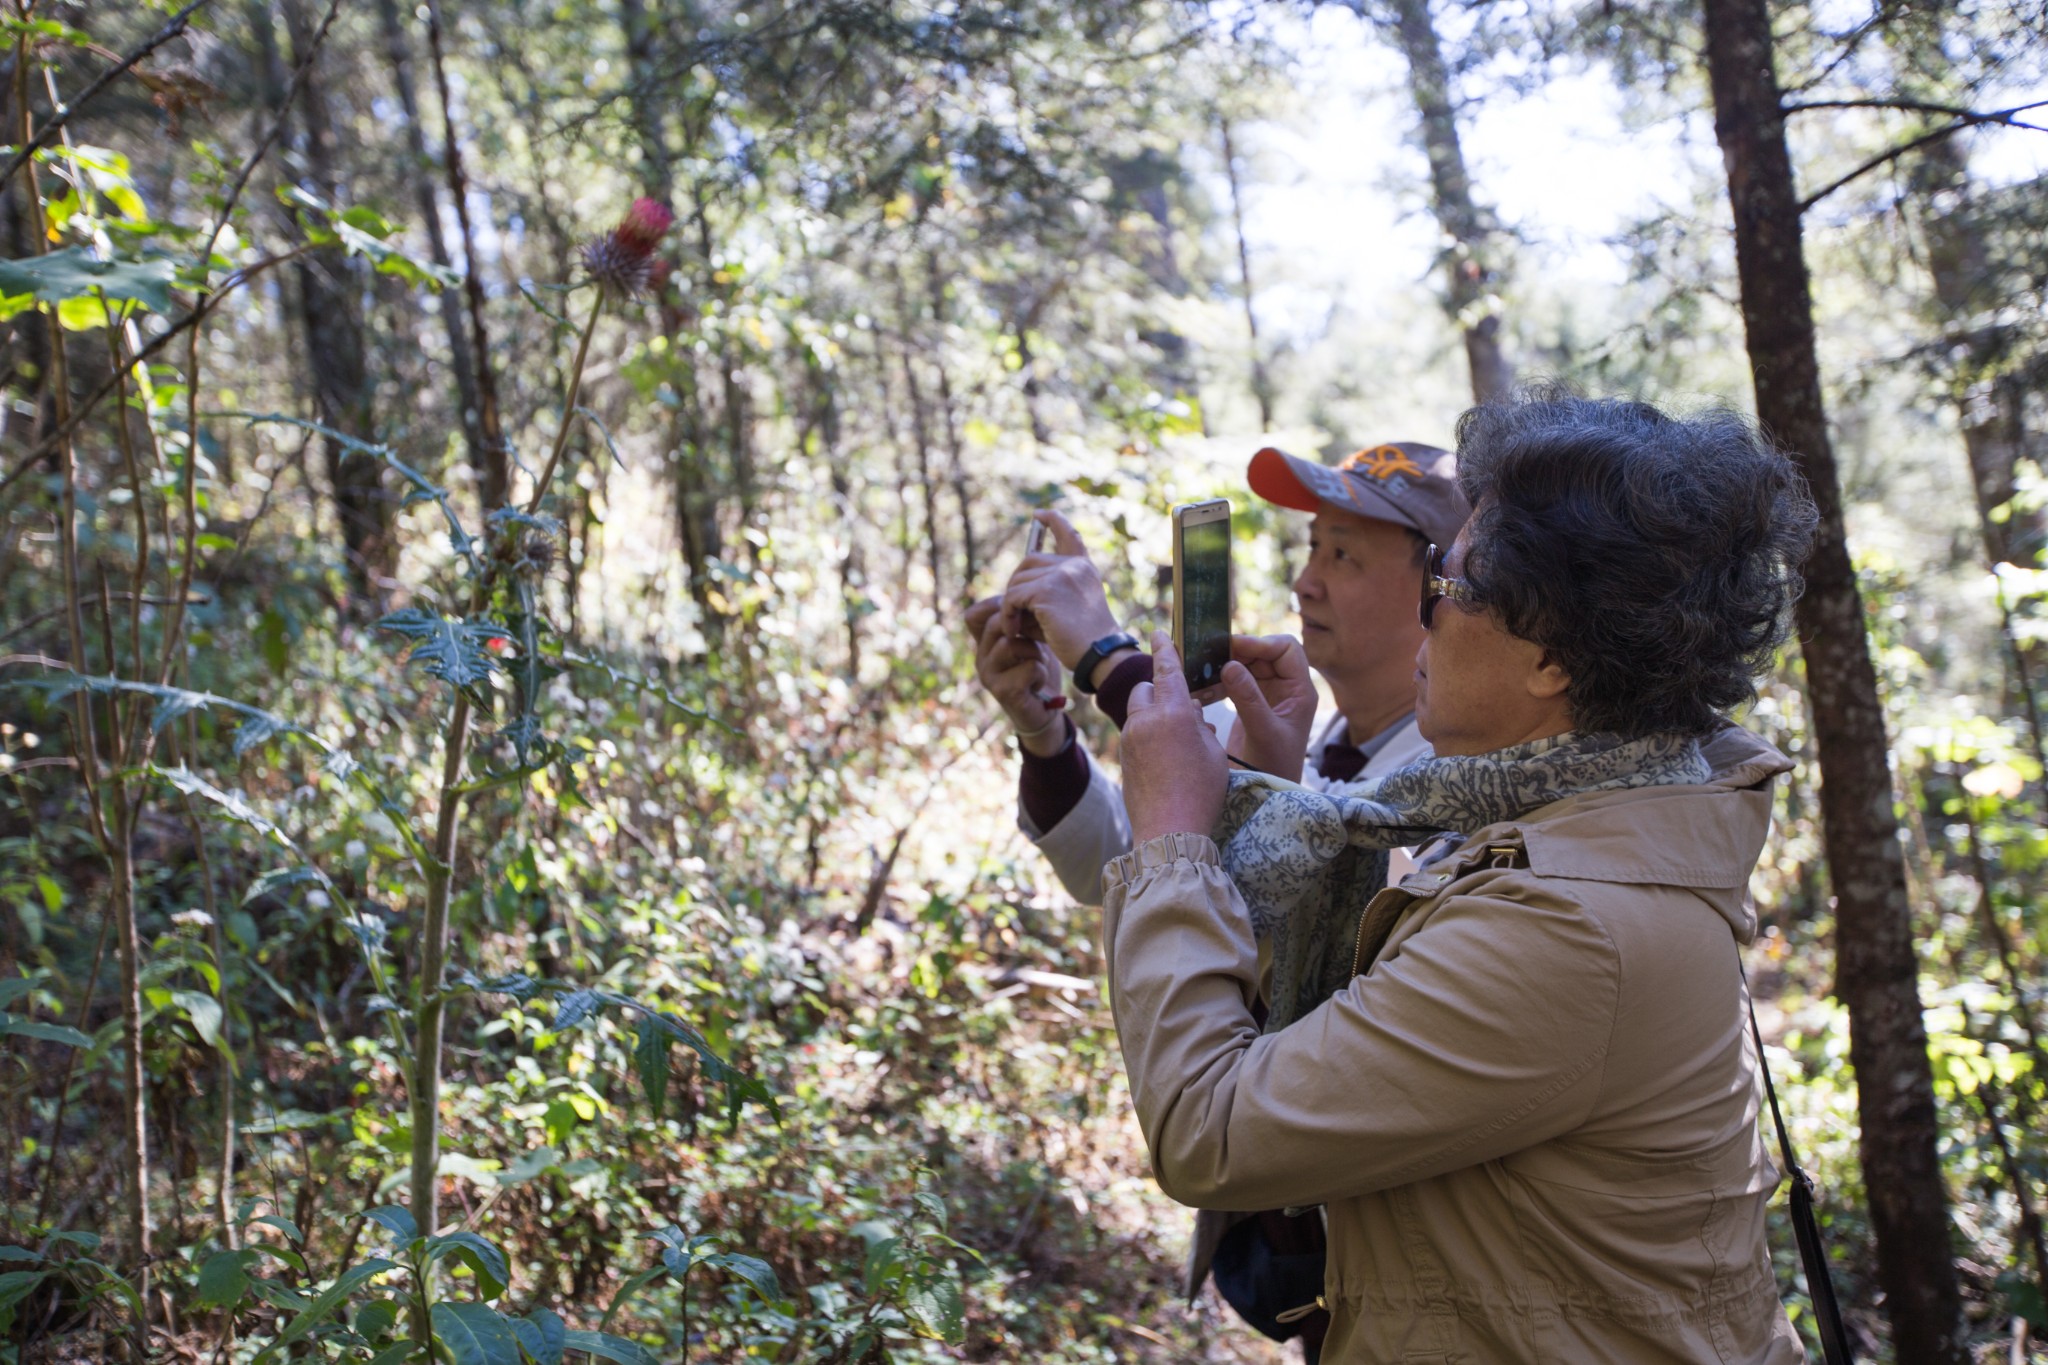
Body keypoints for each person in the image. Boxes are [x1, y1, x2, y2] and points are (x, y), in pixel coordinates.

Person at [1104, 391, 1818, 1362]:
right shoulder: (1569, 813)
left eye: (1450, 579)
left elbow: (1209, 1130)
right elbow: (1370, 1041)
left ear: (1551, 658)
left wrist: (1168, 840)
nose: (1424, 609)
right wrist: (1270, 795)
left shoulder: (1564, 926)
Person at [966, 441, 1471, 909]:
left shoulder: (1458, 783)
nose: (1304, 584)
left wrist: (1110, 658)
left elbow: (1332, 869)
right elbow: (1116, 865)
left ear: (1436, 584)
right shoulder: (1315, 742)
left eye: (1341, 555)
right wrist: (1044, 734)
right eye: (1312, 548)